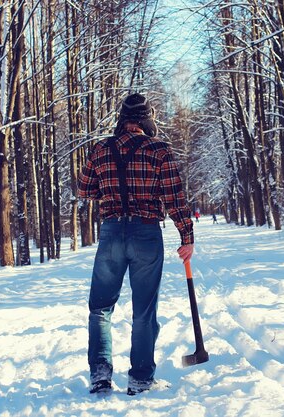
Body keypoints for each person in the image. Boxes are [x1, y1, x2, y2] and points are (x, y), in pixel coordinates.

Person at [78, 93, 194, 396]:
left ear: (122, 118)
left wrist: (111, 186)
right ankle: (140, 378)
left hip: (112, 232)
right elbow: (174, 198)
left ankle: (100, 376)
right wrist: (187, 236)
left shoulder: (101, 149)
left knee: (100, 309)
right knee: (144, 310)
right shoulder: (160, 150)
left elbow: (85, 189)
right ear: (147, 119)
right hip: (146, 233)